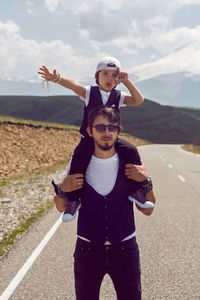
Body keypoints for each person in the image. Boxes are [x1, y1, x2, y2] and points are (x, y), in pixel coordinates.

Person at [53, 107, 156, 300]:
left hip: (125, 250)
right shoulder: (78, 162)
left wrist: (146, 181)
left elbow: (148, 209)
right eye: (100, 127)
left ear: (118, 130)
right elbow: (61, 207)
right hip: (87, 251)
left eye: (112, 127)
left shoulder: (130, 161)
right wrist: (62, 188)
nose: (107, 133)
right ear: (90, 131)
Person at [38, 56, 154, 222]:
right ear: (97, 76)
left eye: (114, 75)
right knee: (78, 161)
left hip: (111, 139)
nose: (109, 78)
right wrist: (56, 78)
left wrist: (127, 82)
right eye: (105, 73)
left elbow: (138, 100)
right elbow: (73, 85)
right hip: (88, 139)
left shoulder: (119, 96)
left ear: (118, 79)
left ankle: (137, 191)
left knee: (131, 150)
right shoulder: (89, 92)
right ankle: (73, 200)